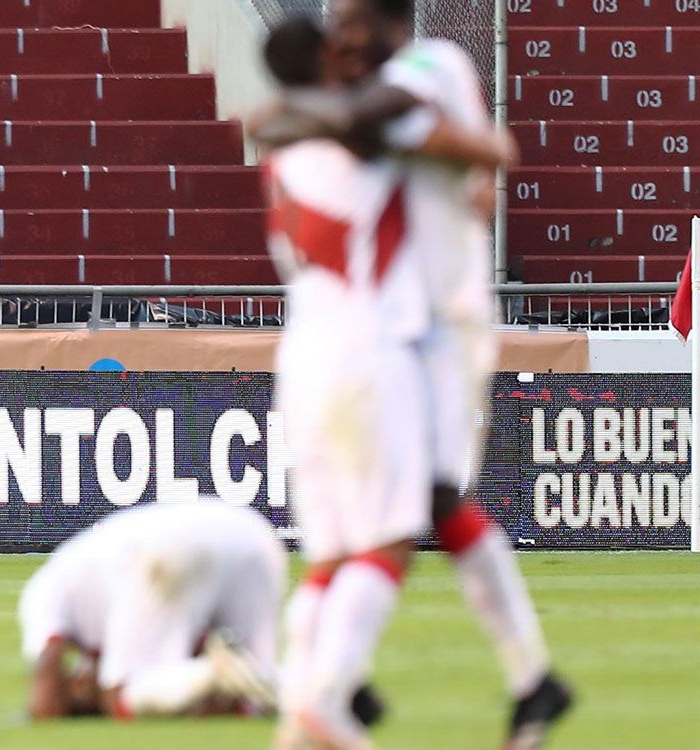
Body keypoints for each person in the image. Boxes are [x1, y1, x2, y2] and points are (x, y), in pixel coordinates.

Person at [258, 6, 572, 748]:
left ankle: (328, 692)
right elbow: (477, 150)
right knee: (415, 512)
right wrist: (488, 155)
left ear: (380, 21)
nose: (345, 36)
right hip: (395, 333)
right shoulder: (400, 90)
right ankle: (516, 681)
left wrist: (485, 158)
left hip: (428, 323)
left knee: (400, 518)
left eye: (352, 21)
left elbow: (433, 136)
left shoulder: (391, 92)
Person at [18, 501, 286, 719]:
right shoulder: (77, 579)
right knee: (257, 691)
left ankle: (213, 674)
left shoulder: (41, 593)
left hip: (170, 546)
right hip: (252, 535)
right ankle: (318, 681)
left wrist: (83, 705)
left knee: (120, 697)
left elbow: (45, 695)